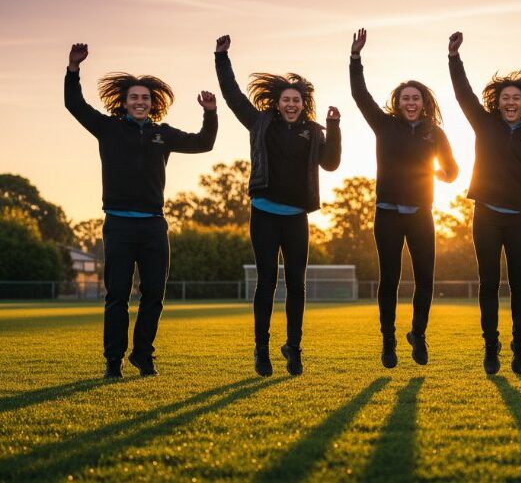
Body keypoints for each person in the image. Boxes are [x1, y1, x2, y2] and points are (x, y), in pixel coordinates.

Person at [65, 43, 218, 379]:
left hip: (153, 227)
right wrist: (74, 69)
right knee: (117, 295)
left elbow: (203, 143)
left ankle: (143, 356)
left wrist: (210, 113)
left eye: (145, 98)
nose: (139, 102)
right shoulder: (107, 128)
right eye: (134, 97)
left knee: (154, 295)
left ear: (152, 103)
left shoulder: (162, 134)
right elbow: (74, 105)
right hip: (118, 224)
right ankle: (113, 362)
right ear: (125, 101)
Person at [215, 35, 341, 377]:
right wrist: (221, 57)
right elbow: (232, 96)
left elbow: (330, 164)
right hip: (265, 213)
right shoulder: (261, 123)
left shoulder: (314, 131)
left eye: (296, 101)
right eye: (286, 100)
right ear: (277, 102)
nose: (291, 105)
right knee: (267, 281)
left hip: (296, 217)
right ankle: (262, 350)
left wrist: (333, 126)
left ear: (303, 104)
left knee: (297, 285)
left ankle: (294, 349)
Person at [447, 31, 521, 375]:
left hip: (519, 218)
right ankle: (491, 347)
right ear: (498, 102)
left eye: (517, 98)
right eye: (506, 97)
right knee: (489, 282)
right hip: (486, 215)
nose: (511, 102)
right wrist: (454, 57)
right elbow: (463, 95)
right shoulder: (485, 124)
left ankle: (520, 349)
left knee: (520, 285)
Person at [350, 28, 458, 368]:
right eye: (405, 98)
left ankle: (418, 335)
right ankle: (388, 341)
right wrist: (355, 58)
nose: (410, 103)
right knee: (390, 279)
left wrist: (442, 175)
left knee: (425, 279)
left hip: (422, 214)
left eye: (416, 98)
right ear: (397, 103)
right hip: (387, 214)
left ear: (424, 103)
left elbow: (453, 170)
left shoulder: (434, 132)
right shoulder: (384, 126)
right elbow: (360, 95)